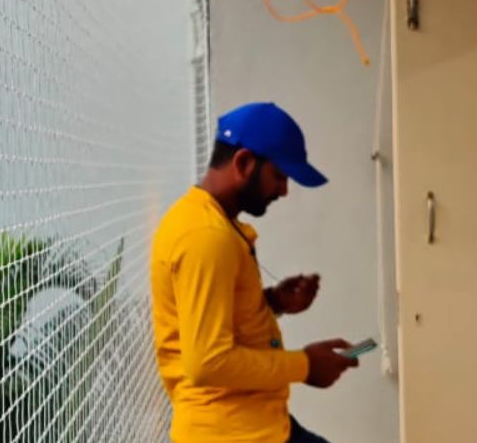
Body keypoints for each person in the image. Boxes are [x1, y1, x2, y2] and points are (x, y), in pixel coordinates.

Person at [149, 102, 358, 443]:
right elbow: (208, 363)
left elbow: (213, 319)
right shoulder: (205, 237)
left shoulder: (210, 223)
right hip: (230, 433)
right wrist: (305, 366)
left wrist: (273, 301)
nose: (284, 190)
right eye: (279, 176)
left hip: (255, 424)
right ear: (245, 163)